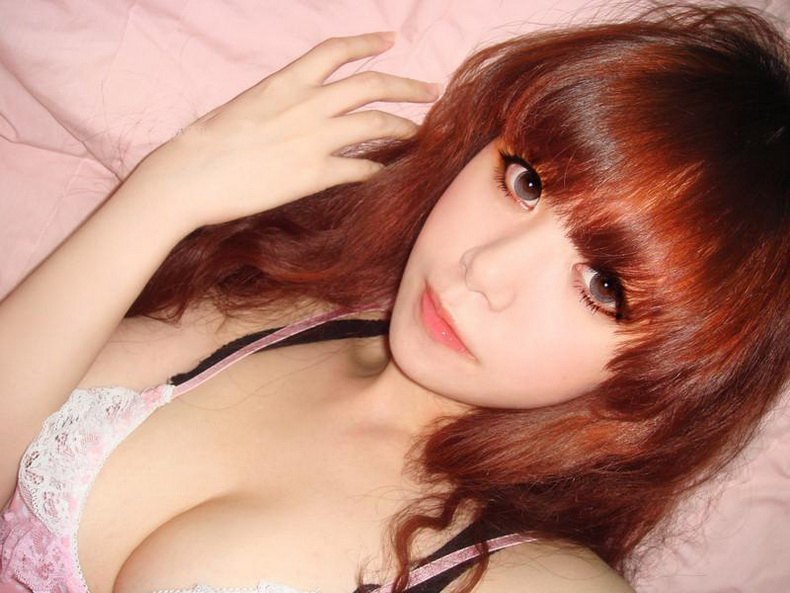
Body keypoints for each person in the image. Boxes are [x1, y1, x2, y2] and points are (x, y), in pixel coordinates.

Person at [0, 3, 788, 593]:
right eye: (526, 182)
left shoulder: (541, 579)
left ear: (674, 370)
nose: (482, 268)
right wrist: (165, 192)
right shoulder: (282, 301)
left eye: (603, 286)